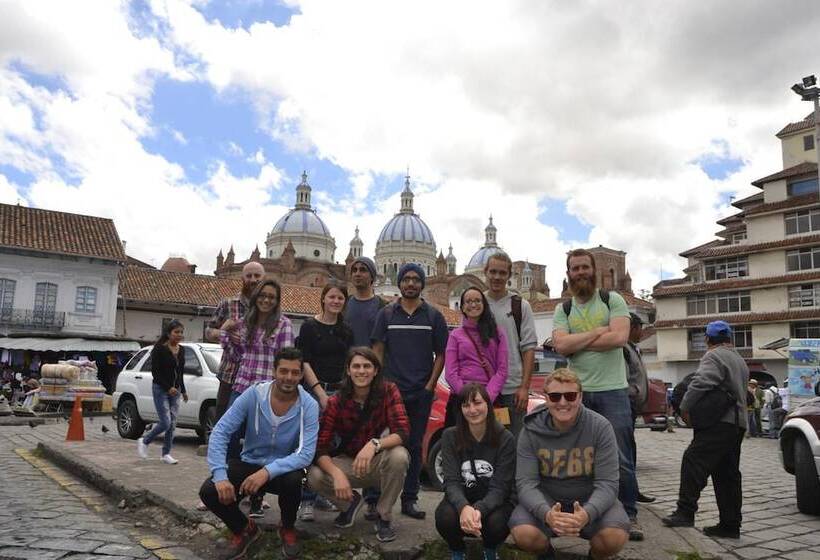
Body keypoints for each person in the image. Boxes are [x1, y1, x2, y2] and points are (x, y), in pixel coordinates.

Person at [551, 248, 641, 540]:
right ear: (568, 274)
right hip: (575, 394)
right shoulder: (564, 309)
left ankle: (629, 514)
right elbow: (561, 346)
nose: (580, 273)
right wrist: (597, 333)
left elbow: (620, 337)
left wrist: (576, 342)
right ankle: (584, 512)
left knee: (620, 456)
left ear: (594, 270)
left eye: (584, 267)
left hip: (613, 390)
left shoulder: (612, 300)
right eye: (575, 268)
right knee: (578, 456)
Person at [199, 347, 318, 560]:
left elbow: (305, 454)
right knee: (209, 491)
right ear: (274, 371)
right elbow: (220, 432)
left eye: (294, 372)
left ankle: (287, 527)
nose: (289, 377)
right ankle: (244, 529)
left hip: (282, 469)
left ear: (301, 375)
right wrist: (220, 475)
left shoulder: (309, 405)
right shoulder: (254, 394)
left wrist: (266, 472)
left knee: (294, 480)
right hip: (249, 463)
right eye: (283, 371)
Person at [510, 368, 629, 560]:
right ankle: (546, 555)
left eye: (570, 396)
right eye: (555, 396)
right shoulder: (530, 430)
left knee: (614, 537)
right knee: (524, 534)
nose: (563, 402)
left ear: (580, 397)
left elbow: (608, 483)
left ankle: (595, 557)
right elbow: (526, 483)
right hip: (547, 500)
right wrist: (546, 514)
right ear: (546, 398)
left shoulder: (600, 427)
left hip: (589, 499)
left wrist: (587, 514)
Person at [307, 347, 410, 542]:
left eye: (367, 366)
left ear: (375, 370)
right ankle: (350, 504)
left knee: (399, 455)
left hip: (378, 462)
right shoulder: (336, 401)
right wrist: (337, 474)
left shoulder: (389, 390)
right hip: (349, 464)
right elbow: (320, 447)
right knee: (313, 475)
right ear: (348, 370)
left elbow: (403, 432)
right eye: (356, 366)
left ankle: (384, 516)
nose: (361, 371)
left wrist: (374, 444)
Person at [372, 263, 449, 520]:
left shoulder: (434, 316)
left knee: (415, 447)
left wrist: (429, 386)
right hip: (390, 393)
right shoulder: (386, 314)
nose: (411, 283)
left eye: (416, 279)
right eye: (406, 279)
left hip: (420, 393)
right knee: (381, 443)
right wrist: (381, 384)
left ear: (422, 283)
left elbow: (441, 354)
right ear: (399, 282)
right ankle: (374, 499)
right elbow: (377, 350)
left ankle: (409, 499)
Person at [662, 321, 748, 539]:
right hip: (737, 424)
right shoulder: (739, 359)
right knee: (727, 474)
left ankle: (685, 512)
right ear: (729, 338)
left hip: (718, 422)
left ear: (708, 339)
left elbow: (701, 383)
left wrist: (684, 407)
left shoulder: (714, 356)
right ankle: (730, 525)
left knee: (693, 460)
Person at [220, 278, 295, 517]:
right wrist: (226, 334)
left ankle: (256, 497)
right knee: (230, 435)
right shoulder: (245, 323)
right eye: (262, 295)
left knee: (260, 443)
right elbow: (235, 356)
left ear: (277, 301)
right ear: (256, 298)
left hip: (267, 390)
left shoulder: (283, 325)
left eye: (271, 297)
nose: (266, 300)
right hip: (242, 386)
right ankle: (227, 484)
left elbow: (286, 358)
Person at [435, 383, 515, 560]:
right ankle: (457, 551)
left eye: (477, 403)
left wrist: (478, 510)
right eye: (466, 405)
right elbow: (451, 482)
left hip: (494, 502)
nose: (472, 410)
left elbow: (500, 488)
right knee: (444, 518)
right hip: (464, 497)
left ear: (488, 404)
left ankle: (490, 550)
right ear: (460, 409)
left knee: (497, 523)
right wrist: (463, 507)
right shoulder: (450, 436)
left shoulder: (505, 439)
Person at [296, 281, 354, 520]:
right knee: (310, 445)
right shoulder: (309, 327)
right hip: (313, 393)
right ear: (323, 298)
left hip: (339, 393)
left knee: (331, 446)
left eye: (340, 298)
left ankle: (322, 493)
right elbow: (304, 362)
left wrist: (342, 395)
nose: (336, 301)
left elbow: (349, 364)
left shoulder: (346, 331)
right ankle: (306, 500)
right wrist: (320, 393)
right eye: (332, 297)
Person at [344, 255, 387, 520]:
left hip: (371, 377)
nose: (358, 273)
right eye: (355, 270)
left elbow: (381, 344)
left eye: (363, 270)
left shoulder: (382, 306)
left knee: (373, 436)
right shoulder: (345, 304)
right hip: (348, 378)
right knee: (346, 437)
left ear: (372, 276)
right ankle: (345, 495)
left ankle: (373, 499)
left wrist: (374, 376)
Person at [483, 252, 538, 438]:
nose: (497, 277)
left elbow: (528, 349)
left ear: (509, 275)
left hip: (512, 390)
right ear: (486, 272)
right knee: (485, 446)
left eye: (502, 273)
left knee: (514, 445)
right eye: (493, 272)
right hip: (482, 388)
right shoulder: (476, 303)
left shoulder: (521, 306)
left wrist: (524, 387)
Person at [206, 261, 265, 421]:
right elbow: (209, 332)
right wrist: (224, 331)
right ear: (242, 279)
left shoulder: (269, 308)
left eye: (257, 275)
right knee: (223, 421)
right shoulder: (228, 304)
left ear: (264, 278)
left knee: (253, 424)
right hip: (230, 374)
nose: (253, 279)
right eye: (249, 276)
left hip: (258, 376)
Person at [444, 288, 508, 427]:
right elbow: (450, 373)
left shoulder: (498, 333)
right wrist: (467, 398)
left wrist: (486, 398)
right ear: (462, 307)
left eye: (477, 300)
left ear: (484, 304)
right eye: (468, 301)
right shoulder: (455, 335)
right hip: (461, 400)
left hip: (490, 398)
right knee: (457, 439)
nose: (473, 304)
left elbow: (502, 370)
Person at [137, 320, 188, 464]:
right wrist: (168, 387)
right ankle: (145, 441)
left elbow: (180, 372)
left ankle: (166, 454)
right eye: (176, 332)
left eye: (181, 332)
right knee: (166, 422)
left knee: (172, 424)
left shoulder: (182, 350)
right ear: (168, 333)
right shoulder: (159, 349)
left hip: (176, 391)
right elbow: (155, 373)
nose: (179, 335)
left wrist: (183, 390)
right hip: (160, 389)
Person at [623, 313, 655, 504]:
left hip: (634, 406)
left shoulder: (633, 348)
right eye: (639, 328)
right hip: (627, 404)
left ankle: (633, 489)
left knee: (631, 449)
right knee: (628, 450)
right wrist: (634, 392)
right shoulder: (624, 350)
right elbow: (624, 379)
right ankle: (629, 491)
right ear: (632, 328)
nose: (642, 332)